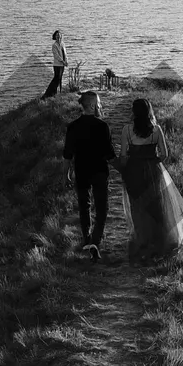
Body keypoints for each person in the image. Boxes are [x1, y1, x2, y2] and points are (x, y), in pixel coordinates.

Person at [118, 98, 183, 264]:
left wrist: (124, 169)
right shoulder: (157, 129)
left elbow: (123, 155)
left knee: (137, 207)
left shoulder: (127, 130)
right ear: (149, 111)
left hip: (134, 172)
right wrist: (152, 161)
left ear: (134, 112)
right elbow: (164, 154)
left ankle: (142, 242)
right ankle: (159, 241)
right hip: (153, 171)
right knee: (157, 206)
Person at [63, 91, 116, 261]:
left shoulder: (73, 126)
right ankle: (96, 240)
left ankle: (87, 240)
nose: (100, 106)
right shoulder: (103, 126)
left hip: (81, 172)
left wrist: (66, 173)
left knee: (84, 206)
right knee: (102, 208)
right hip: (99, 172)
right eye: (99, 103)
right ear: (92, 105)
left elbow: (67, 155)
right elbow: (110, 154)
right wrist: (125, 168)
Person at [41, 30, 67, 99]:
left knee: (59, 79)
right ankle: (49, 93)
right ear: (55, 37)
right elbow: (56, 56)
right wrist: (62, 61)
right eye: (57, 36)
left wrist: (66, 61)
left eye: (60, 35)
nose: (59, 37)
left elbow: (65, 54)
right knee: (56, 79)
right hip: (57, 65)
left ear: (61, 36)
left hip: (62, 64)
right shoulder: (54, 45)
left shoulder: (63, 44)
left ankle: (56, 92)